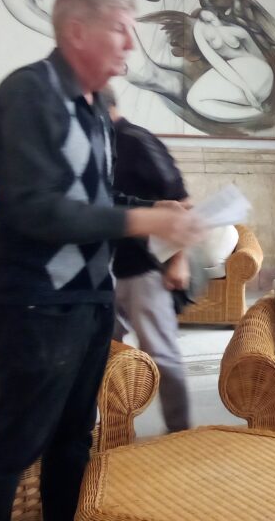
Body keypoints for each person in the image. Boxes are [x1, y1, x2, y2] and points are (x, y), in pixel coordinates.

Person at [0, 0, 203, 521]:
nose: (131, 43)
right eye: (120, 29)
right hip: (35, 304)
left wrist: (154, 209)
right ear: (77, 31)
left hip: (92, 300)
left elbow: (89, 198)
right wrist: (140, 217)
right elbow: (35, 209)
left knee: (74, 441)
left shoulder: (96, 107)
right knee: (14, 447)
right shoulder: (28, 93)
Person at [101, 87, 193, 433]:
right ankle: (113, 433)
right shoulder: (94, 145)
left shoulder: (138, 142)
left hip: (145, 268)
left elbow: (180, 203)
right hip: (102, 269)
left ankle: (180, 433)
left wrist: (179, 261)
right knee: (105, 356)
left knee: (162, 355)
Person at [187, 8, 274, 122]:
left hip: (256, 73)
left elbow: (258, 56)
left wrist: (246, 88)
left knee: (194, 98)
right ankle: (253, 112)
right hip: (249, 75)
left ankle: (253, 112)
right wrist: (244, 88)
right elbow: (218, 63)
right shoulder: (201, 28)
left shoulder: (236, 30)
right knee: (194, 99)